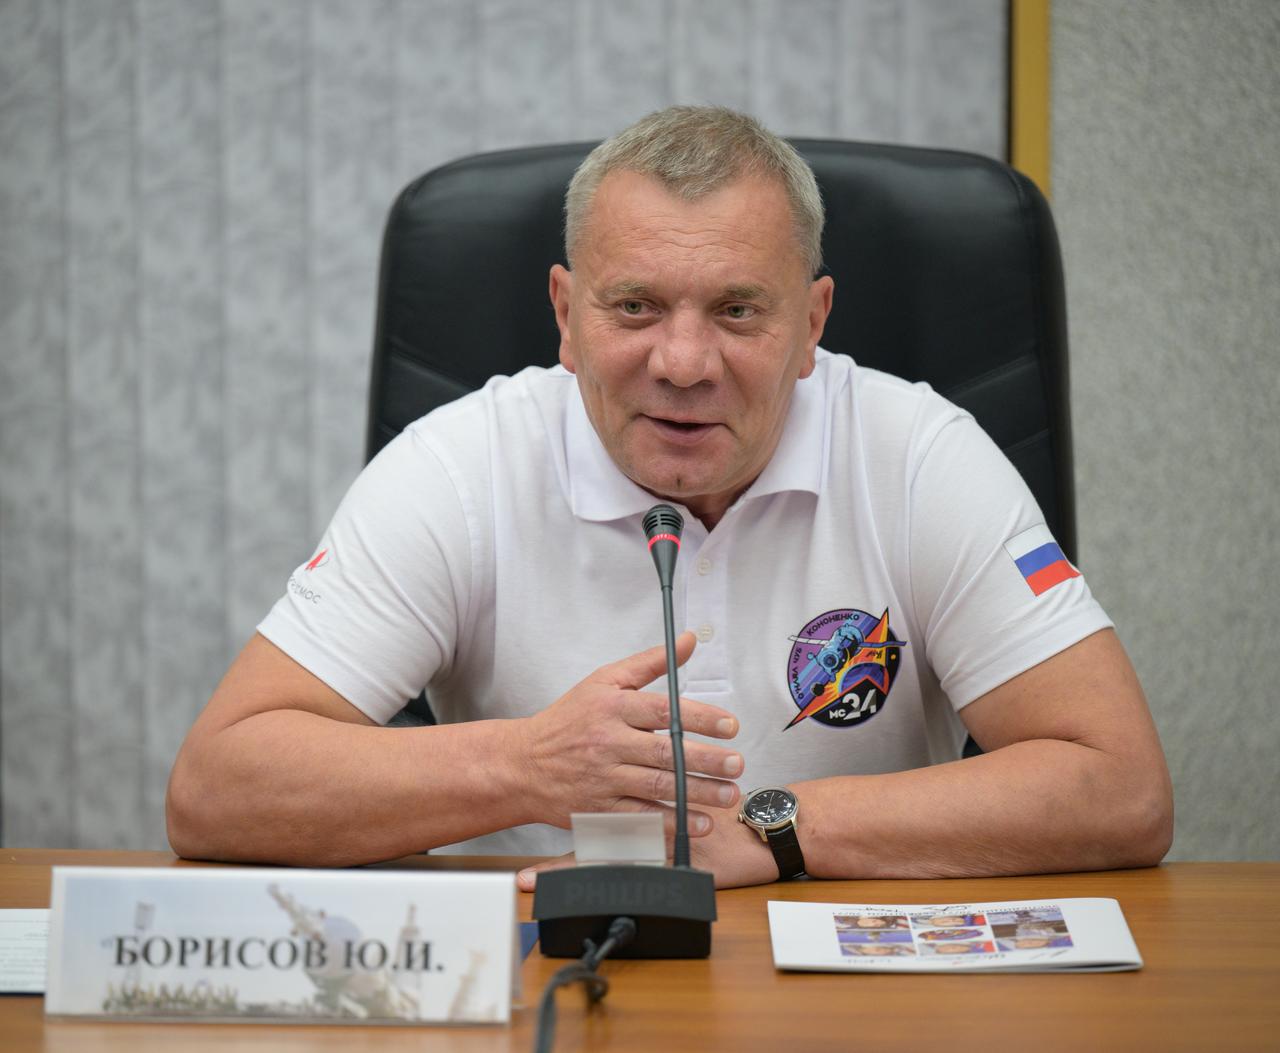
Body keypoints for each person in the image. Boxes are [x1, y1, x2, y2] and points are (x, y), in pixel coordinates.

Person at [166, 106, 1173, 889]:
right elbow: (218, 790)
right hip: (543, 963)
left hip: (845, 978)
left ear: (810, 322)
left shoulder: (916, 455)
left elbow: (1120, 789)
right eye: (635, 307)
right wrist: (525, 769)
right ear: (565, 315)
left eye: (737, 311)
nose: (684, 363)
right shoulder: (457, 467)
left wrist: (776, 832)